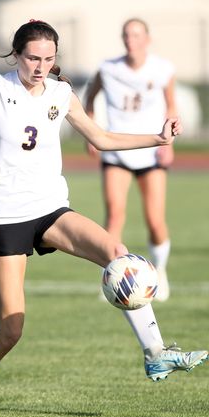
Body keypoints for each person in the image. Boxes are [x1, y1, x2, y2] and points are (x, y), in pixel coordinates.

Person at [0, 19, 208, 416]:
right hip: (6, 216)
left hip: (50, 209)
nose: (40, 66)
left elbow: (101, 138)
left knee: (118, 252)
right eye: (32, 58)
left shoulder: (61, 93)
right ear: (16, 55)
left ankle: (156, 352)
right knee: (11, 328)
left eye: (48, 58)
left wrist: (158, 137)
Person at [84, 18, 176, 301]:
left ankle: (160, 271)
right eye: (126, 34)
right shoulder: (108, 68)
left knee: (155, 219)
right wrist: (91, 132)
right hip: (116, 152)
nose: (130, 40)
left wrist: (170, 142)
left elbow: (171, 106)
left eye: (136, 35)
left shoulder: (162, 69)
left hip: (150, 152)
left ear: (147, 39)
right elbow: (89, 99)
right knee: (114, 214)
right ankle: (111, 275)